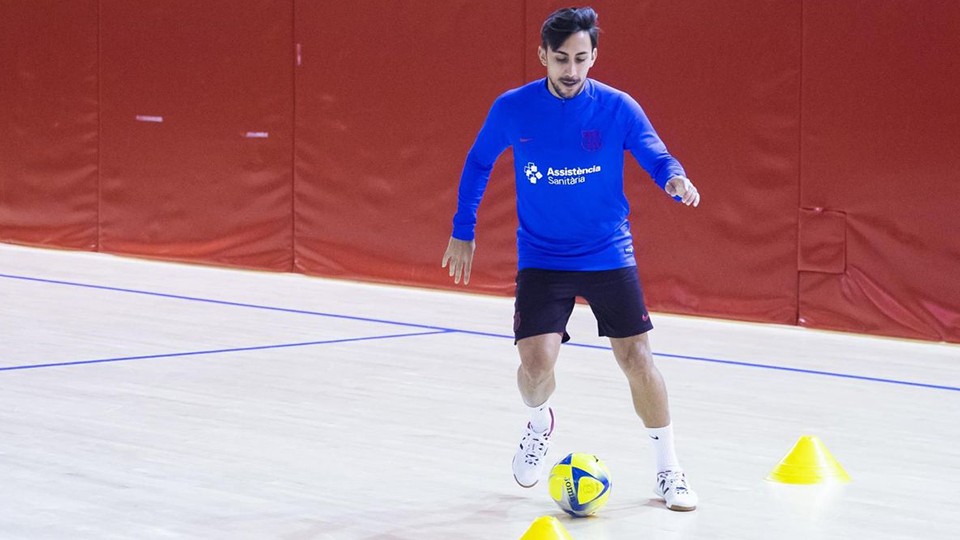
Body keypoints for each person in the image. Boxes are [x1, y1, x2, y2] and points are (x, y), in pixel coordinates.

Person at [441, 6, 700, 512]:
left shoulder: (618, 107)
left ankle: (669, 469)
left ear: (594, 56)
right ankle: (540, 424)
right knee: (535, 367)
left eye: (582, 58)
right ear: (542, 55)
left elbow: (654, 152)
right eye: (561, 59)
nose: (572, 70)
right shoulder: (513, 109)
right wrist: (462, 231)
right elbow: (477, 162)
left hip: (607, 252)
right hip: (542, 255)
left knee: (637, 359)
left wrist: (674, 177)